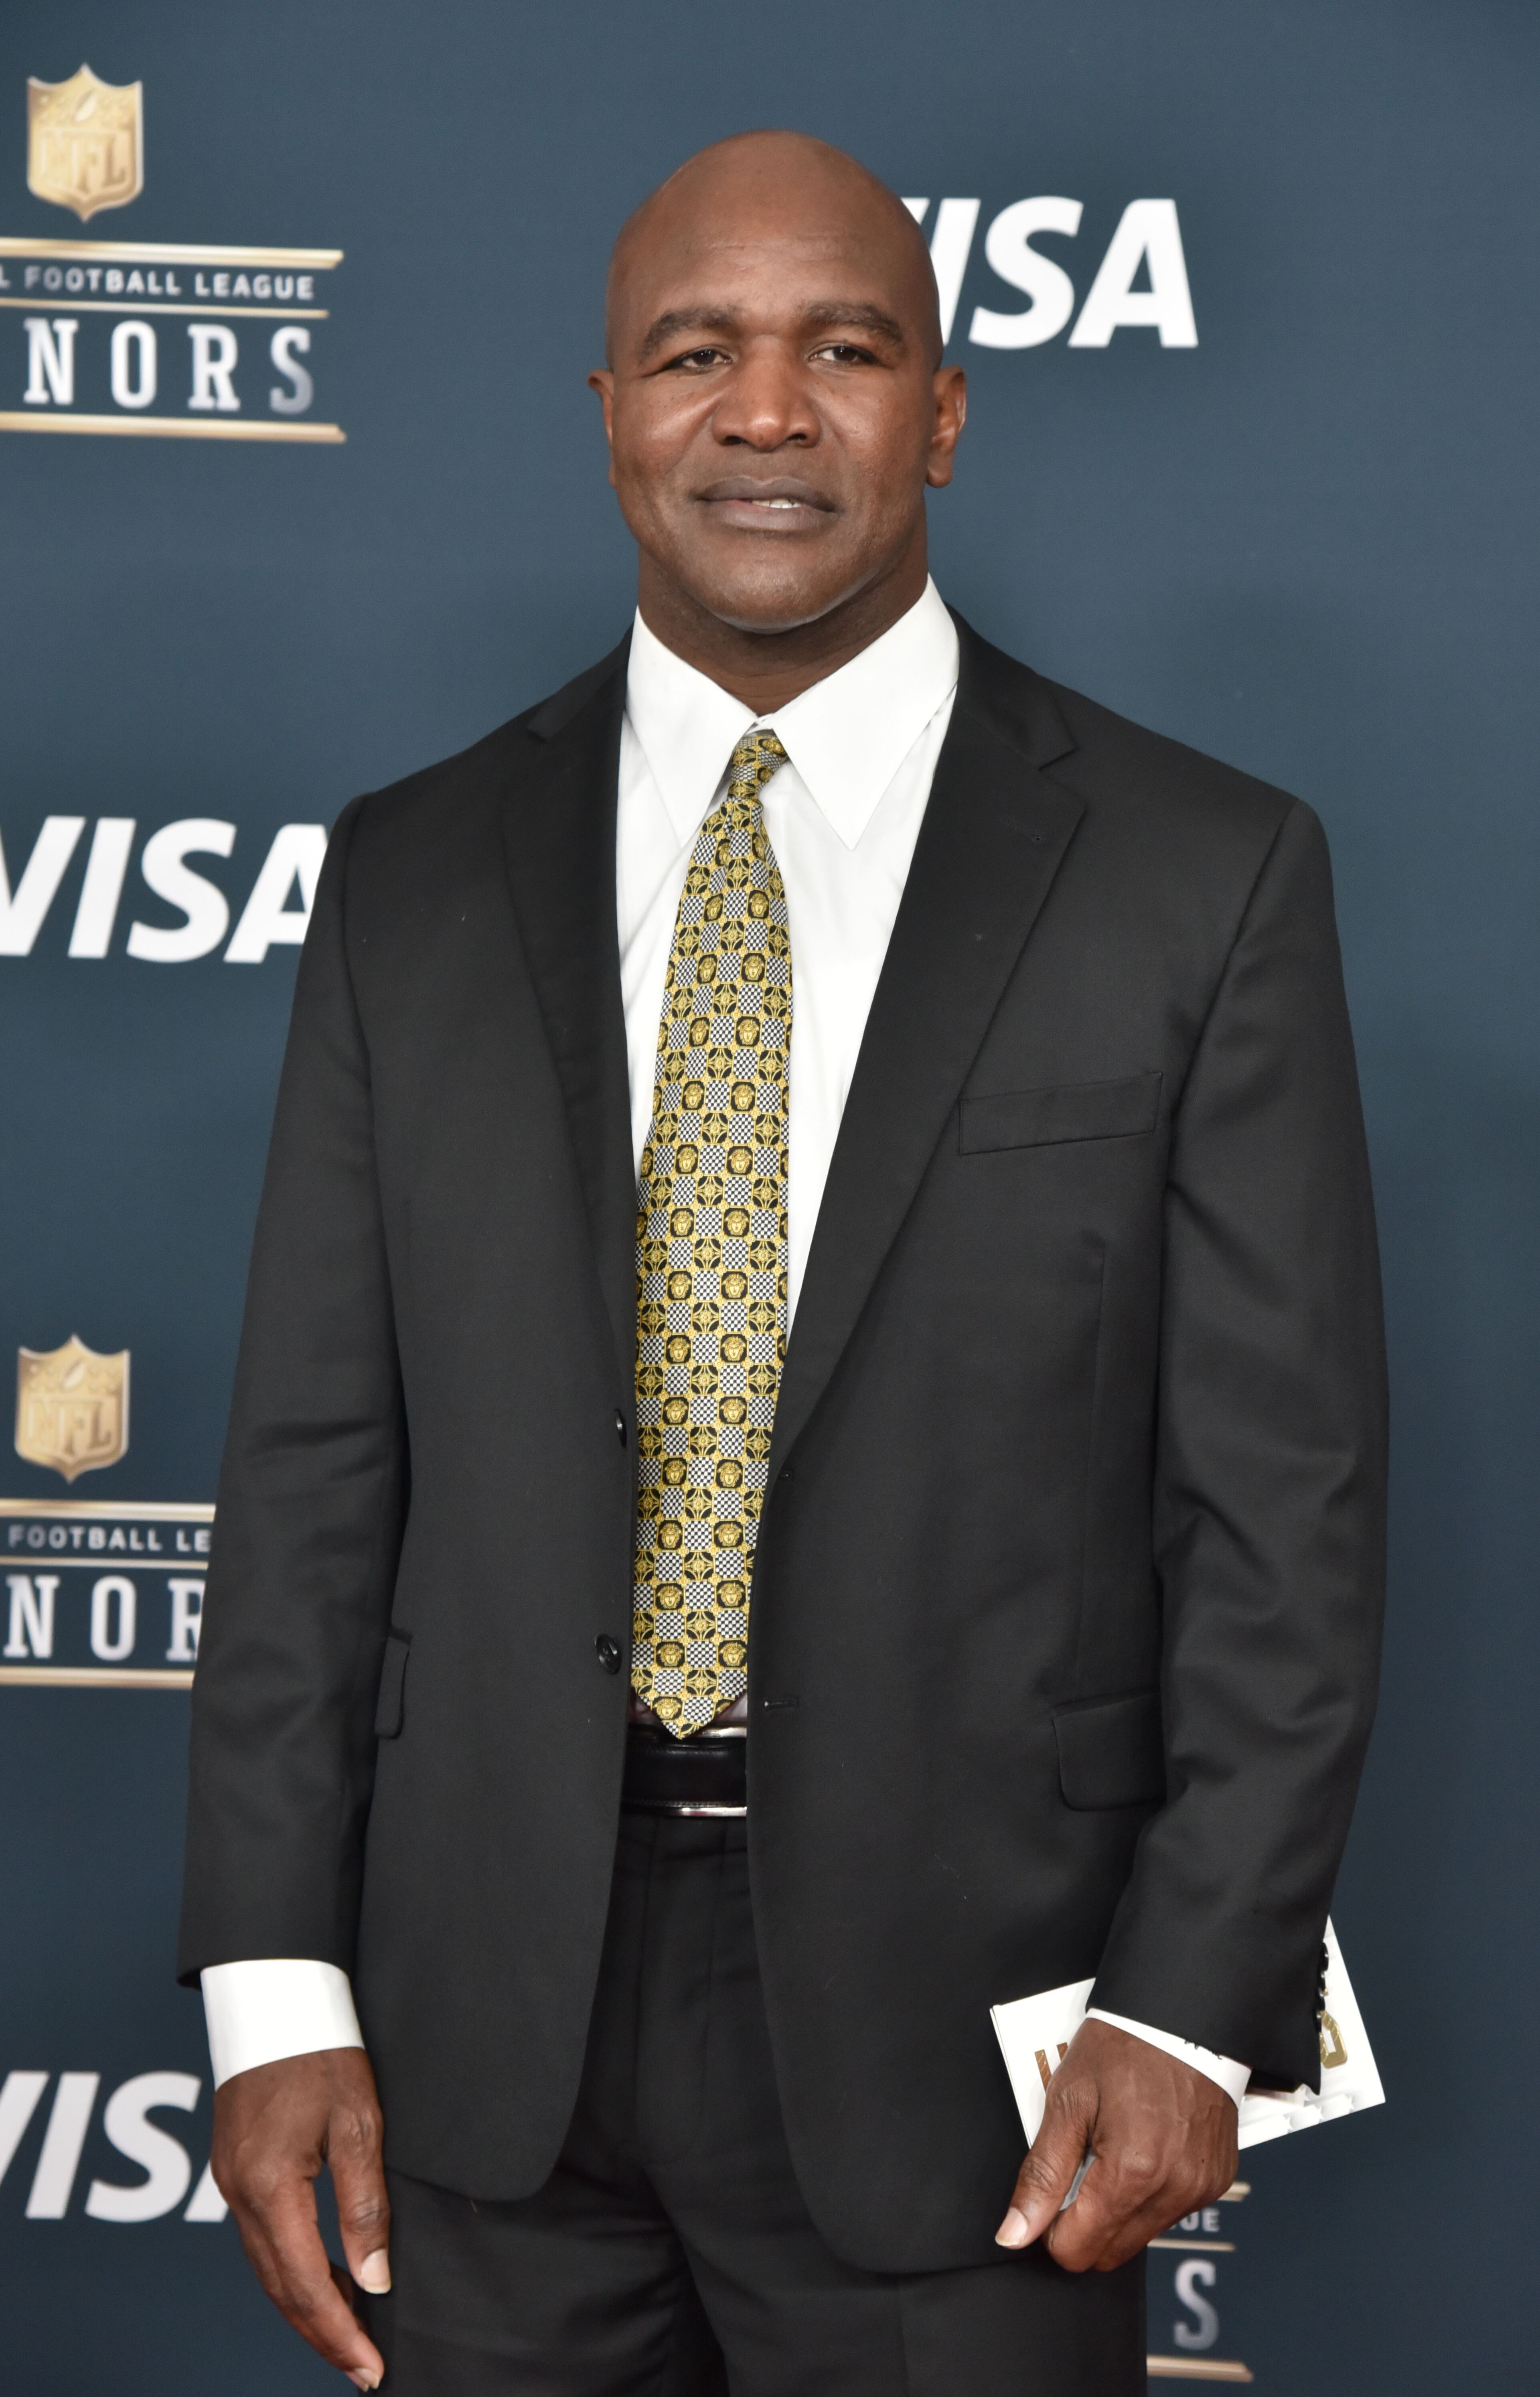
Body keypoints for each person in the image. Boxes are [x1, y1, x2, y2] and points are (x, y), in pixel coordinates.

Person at [179, 130, 1387, 2396]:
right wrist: (273, 1983)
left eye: (845, 349)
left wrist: (1195, 1990)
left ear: (941, 410)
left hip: (984, 2050)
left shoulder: (1199, 874)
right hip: (488, 2038)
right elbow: (313, 1468)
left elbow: (1284, 1508)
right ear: (610, 411)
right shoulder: (411, 876)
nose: (765, 412)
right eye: (694, 352)